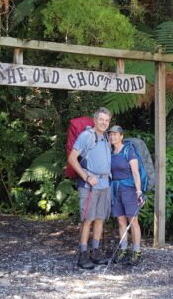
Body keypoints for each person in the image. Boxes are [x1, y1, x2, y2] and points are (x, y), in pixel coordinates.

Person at [68, 107, 113, 269]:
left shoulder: (106, 137)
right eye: (101, 119)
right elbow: (72, 158)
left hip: (104, 184)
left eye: (107, 120)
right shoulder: (87, 136)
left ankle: (95, 251)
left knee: (100, 218)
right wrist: (86, 176)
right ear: (95, 120)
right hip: (89, 185)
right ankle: (83, 254)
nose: (104, 123)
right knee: (88, 220)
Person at [107, 125, 144, 265]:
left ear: (121, 136)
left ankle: (136, 251)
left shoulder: (129, 150)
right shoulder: (110, 153)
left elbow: (135, 172)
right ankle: (123, 249)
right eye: (111, 134)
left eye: (115, 134)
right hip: (115, 190)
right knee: (121, 221)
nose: (112, 137)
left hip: (129, 189)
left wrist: (139, 191)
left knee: (133, 221)